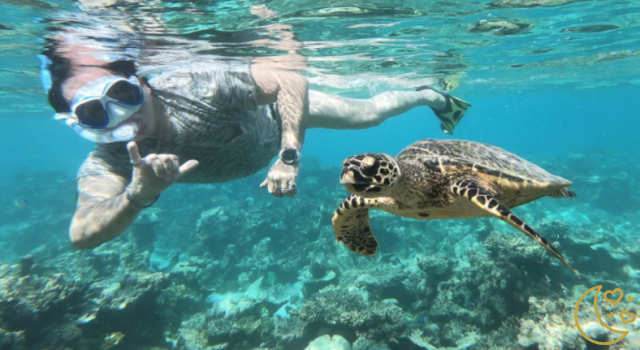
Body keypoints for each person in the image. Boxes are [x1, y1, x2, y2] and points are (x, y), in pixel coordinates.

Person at [40, 1, 473, 250]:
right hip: (257, 149)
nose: (121, 116)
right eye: (94, 113)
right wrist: (136, 197)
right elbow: (81, 233)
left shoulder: (196, 86)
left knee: (368, 115)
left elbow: (290, 77)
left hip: (276, 120)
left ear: (140, 81)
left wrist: (289, 153)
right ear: (78, 124)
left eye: (120, 94)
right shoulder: (114, 159)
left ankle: (428, 94)